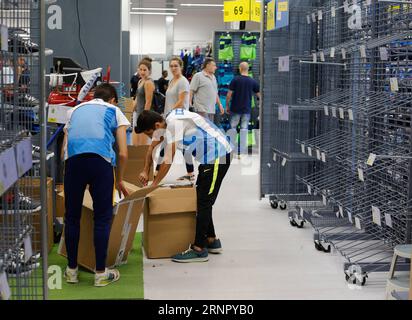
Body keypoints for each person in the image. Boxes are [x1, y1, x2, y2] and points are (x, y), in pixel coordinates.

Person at [136, 109, 233, 263]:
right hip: (209, 159)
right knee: (201, 199)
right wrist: (145, 170)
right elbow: (151, 149)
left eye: (150, 134)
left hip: (217, 156)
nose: (151, 138)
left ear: (156, 125)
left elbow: (168, 158)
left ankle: (199, 249)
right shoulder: (167, 120)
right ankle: (211, 240)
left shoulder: (174, 124)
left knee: (204, 202)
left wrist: (154, 185)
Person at [62, 83, 130, 287]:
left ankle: (71, 271)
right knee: (102, 218)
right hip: (100, 163)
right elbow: (124, 153)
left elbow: (65, 146)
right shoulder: (114, 110)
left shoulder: (74, 110)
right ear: (113, 100)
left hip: (73, 163)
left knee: (72, 217)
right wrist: (119, 179)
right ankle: (100, 273)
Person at [163, 56, 194, 182]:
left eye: (176, 66)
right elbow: (169, 100)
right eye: (171, 66)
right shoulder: (172, 81)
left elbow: (181, 101)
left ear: (181, 67)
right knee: (181, 146)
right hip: (171, 117)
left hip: (179, 117)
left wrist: (170, 112)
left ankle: (157, 172)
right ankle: (191, 172)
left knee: (173, 146)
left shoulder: (183, 81)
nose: (173, 68)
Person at [226, 62, 260, 157]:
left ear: (240, 69)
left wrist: (227, 106)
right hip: (246, 109)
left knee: (232, 128)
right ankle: (241, 152)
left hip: (235, 108)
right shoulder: (252, 81)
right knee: (244, 129)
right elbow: (259, 95)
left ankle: (230, 150)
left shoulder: (235, 80)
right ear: (248, 69)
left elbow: (229, 95)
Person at [190, 57, 224, 122]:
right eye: (214, 65)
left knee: (209, 130)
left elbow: (215, 93)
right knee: (203, 130)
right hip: (201, 110)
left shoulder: (214, 77)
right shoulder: (198, 76)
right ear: (208, 65)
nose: (216, 67)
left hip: (211, 110)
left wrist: (220, 105)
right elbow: (191, 91)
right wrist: (190, 105)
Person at [132, 58, 156, 146]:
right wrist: (132, 110)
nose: (142, 72)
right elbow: (137, 98)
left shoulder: (148, 83)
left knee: (143, 145)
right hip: (137, 114)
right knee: (135, 143)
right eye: (140, 69)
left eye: (145, 70)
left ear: (149, 71)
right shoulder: (140, 81)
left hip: (143, 115)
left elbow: (148, 102)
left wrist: (144, 118)